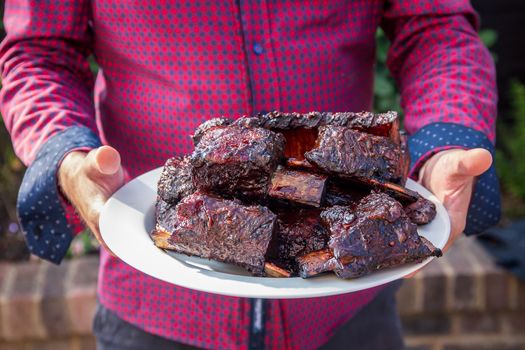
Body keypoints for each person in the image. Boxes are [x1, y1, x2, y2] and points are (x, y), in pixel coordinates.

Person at [0, 1, 500, 349]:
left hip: (347, 307)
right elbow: (40, 52)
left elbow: (433, 26)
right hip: (156, 307)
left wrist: (444, 144)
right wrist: (68, 155)